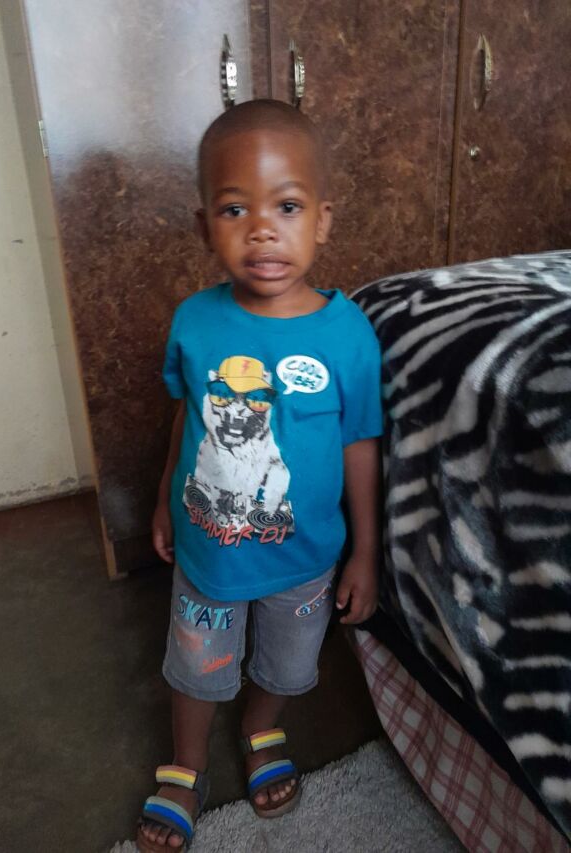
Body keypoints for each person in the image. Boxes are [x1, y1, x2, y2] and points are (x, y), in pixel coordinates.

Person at [137, 98, 382, 852]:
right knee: (197, 662)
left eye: (288, 206)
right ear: (204, 224)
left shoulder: (347, 334)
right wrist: (165, 499)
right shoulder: (195, 320)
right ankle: (185, 764)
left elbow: (360, 444)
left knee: (286, 661)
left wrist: (366, 552)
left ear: (323, 220)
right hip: (209, 548)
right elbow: (189, 418)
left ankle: (261, 725)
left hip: (304, 558)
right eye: (235, 208)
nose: (263, 229)